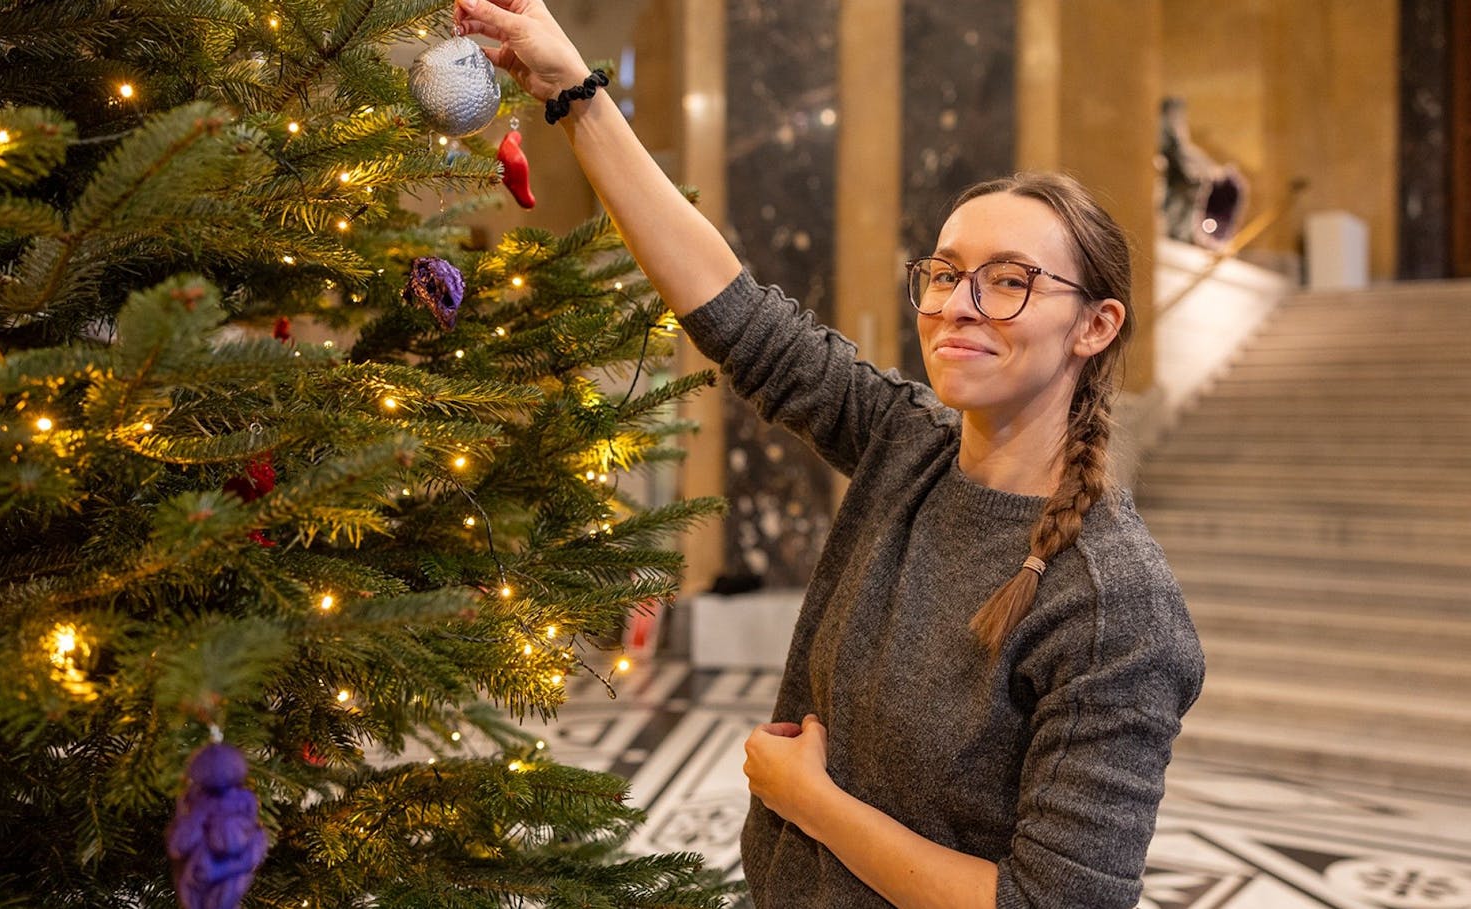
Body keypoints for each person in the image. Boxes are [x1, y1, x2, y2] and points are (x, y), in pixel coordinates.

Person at [452, 2, 1206, 907]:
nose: (958, 303)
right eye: (943, 271)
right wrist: (576, 92)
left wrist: (812, 802)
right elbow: (733, 309)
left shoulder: (1114, 604)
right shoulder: (910, 446)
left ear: (1097, 324)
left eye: (1009, 281)